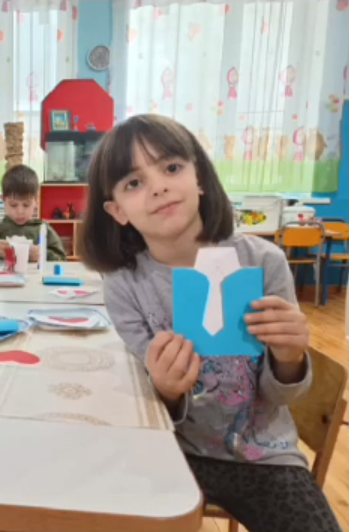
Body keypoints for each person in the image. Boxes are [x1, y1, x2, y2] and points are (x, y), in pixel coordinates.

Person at [81, 114, 341, 532]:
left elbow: (282, 395)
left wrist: (290, 357)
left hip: (264, 456)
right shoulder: (124, 285)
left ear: (199, 177)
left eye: (171, 168)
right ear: (117, 211)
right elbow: (147, 404)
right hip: (170, 451)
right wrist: (166, 389)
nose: (159, 186)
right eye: (134, 183)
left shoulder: (263, 262)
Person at [0, 164, 66, 261]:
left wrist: (43, 254)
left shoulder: (43, 229)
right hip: (5, 271)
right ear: (3, 200)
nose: (20, 211)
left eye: (26, 205)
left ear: (36, 201)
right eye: (13, 205)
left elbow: (62, 258)